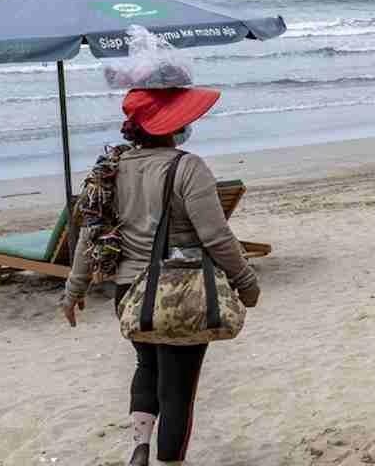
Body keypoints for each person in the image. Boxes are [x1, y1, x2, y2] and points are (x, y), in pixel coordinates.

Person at [61, 87, 261, 466]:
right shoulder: (188, 167)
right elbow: (216, 236)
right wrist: (247, 283)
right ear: (175, 124)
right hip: (181, 294)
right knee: (178, 388)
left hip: (129, 294)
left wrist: (74, 289)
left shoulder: (110, 168)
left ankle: (140, 445)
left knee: (147, 366)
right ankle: (170, 461)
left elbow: (90, 230)